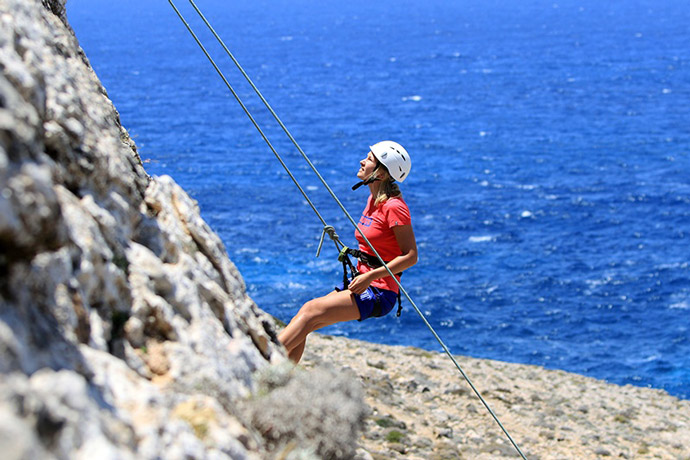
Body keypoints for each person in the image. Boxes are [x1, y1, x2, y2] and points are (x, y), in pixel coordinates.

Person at [278, 141, 418, 363]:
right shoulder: (373, 199)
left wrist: (370, 276)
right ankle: (277, 380)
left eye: (369, 159)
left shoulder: (394, 207)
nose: (363, 161)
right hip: (363, 282)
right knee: (305, 322)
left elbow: (411, 256)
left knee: (310, 311)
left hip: (380, 291)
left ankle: (258, 364)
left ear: (381, 172)